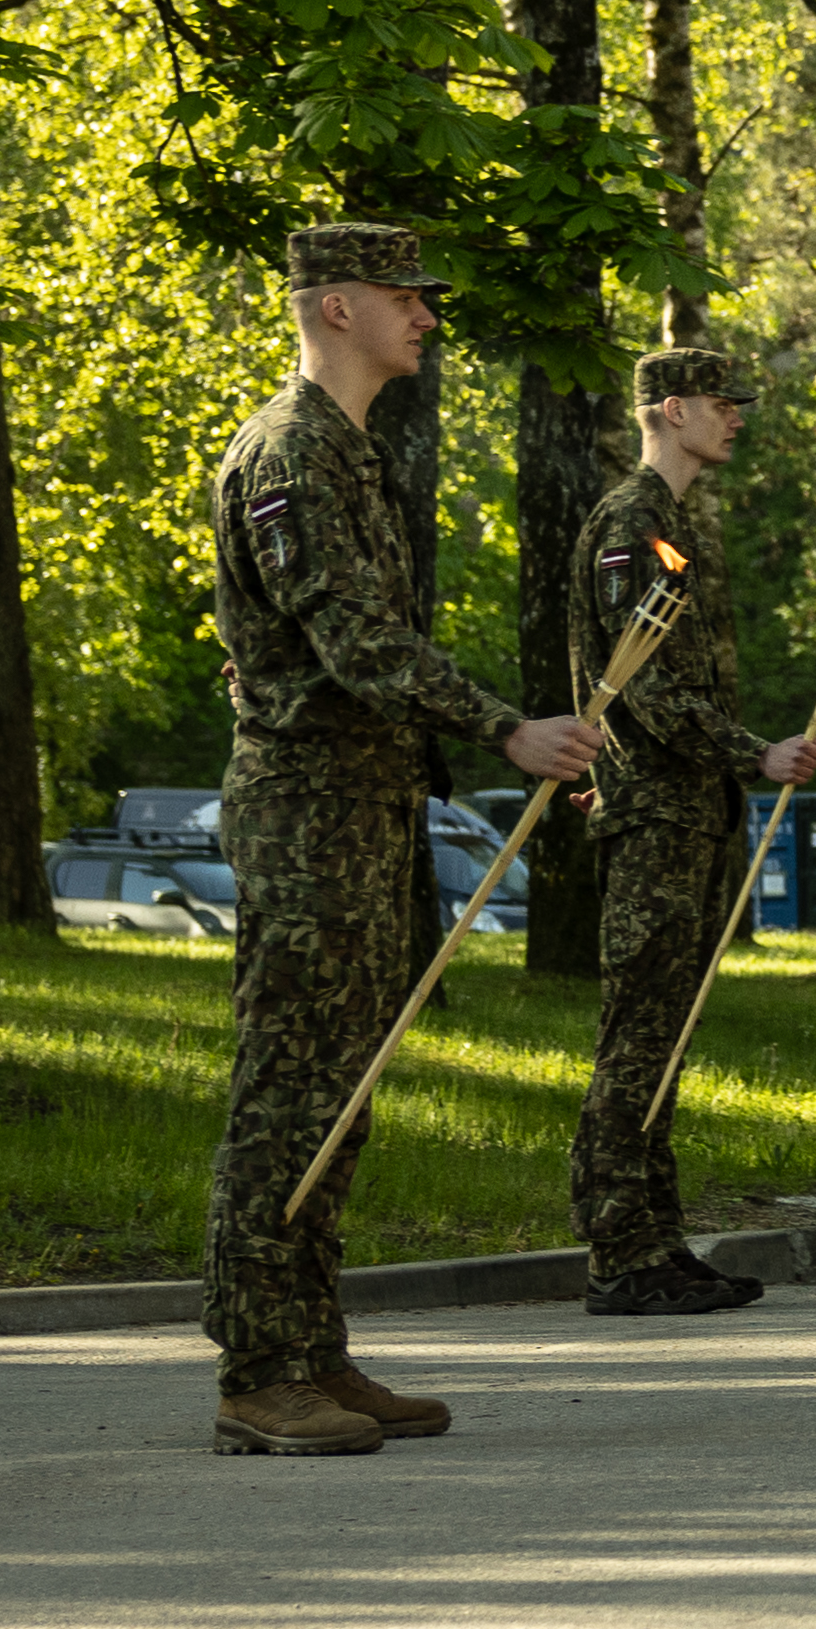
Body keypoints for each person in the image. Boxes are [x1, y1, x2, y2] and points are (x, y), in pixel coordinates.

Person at [198, 227, 598, 1456]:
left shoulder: (347, 451)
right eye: (404, 296)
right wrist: (503, 729)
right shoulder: (287, 453)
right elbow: (350, 640)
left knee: (343, 1087)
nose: (426, 314)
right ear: (334, 306)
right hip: (305, 807)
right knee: (290, 1086)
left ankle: (314, 1348)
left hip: (360, 805)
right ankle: (257, 1366)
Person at [560, 338, 816, 1322]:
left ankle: (657, 1241)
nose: (736, 414)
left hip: (688, 811)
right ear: (669, 409)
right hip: (656, 811)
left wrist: (737, 758)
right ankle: (616, 1250)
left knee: (665, 1036)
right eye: (721, 400)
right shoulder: (633, 520)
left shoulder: (678, 522)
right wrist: (748, 752)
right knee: (637, 1035)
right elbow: (643, 686)